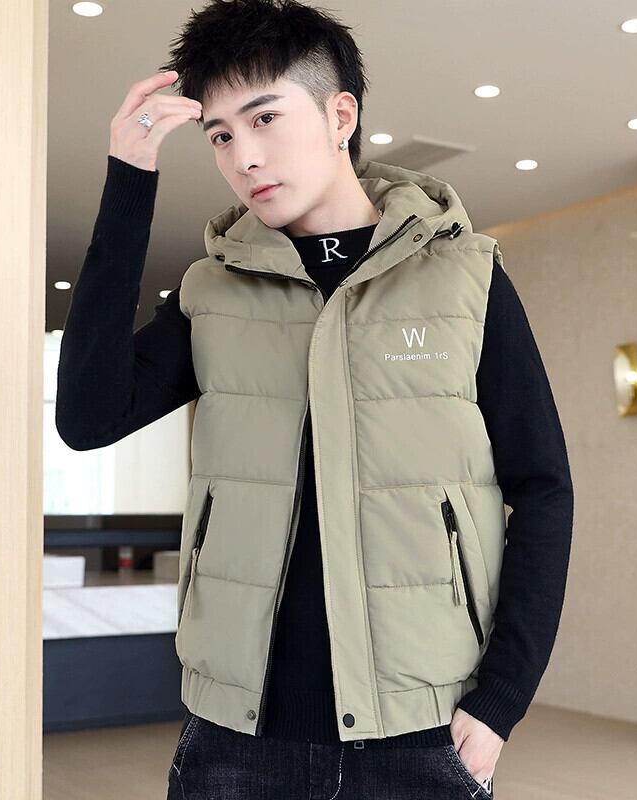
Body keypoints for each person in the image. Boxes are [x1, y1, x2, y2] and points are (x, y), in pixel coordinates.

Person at [55, 1, 574, 797]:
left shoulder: (465, 279)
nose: (243, 156)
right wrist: (130, 181)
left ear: (340, 116)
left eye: (265, 118)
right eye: (220, 135)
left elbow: (544, 488)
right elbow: (87, 419)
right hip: (236, 737)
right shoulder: (213, 292)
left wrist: (503, 697)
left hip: (422, 729)